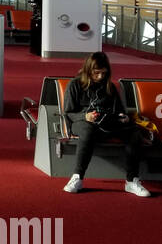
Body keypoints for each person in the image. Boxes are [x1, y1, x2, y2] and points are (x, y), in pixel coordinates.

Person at [61, 52, 152, 197]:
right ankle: (77, 177)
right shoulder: (75, 85)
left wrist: (123, 118)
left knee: (134, 132)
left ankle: (131, 181)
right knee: (88, 129)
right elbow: (68, 113)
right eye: (96, 73)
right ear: (88, 70)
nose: (100, 77)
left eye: (103, 73)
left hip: (107, 123)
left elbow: (120, 111)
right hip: (82, 122)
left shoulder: (109, 87)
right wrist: (85, 116)